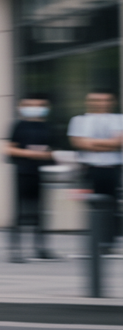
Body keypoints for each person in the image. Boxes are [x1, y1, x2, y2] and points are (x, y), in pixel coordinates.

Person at [67, 89, 123, 254]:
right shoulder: (78, 120)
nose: (101, 103)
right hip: (89, 169)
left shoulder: (119, 119)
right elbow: (79, 143)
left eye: (106, 100)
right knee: (91, 206)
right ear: (89, 102)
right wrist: (109, 143)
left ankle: (108, 244)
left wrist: (92, 143)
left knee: (111, 206)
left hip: (113, 169)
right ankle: (94, 243)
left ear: (112, 102)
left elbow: (118, 143)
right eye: (97, 100)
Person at [6, 94, 57, 262]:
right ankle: (15, 251)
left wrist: (46, 154)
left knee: (40, 213)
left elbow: (53, 150)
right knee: (20, 212)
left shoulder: (47, 127)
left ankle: (41, 248)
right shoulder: (19, 126)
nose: (35, 107)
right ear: (21, 107)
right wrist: (31, 153)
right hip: (23, 172)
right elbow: (8, 149)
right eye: (30, 104)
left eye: (40, 104)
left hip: (41, 173)